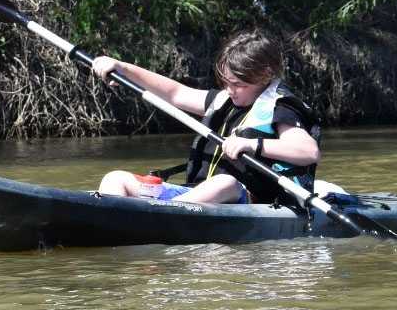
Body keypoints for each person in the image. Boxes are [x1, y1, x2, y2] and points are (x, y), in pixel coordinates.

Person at [91, 29, 321, 204]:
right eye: (226, 83)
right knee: (115, 178)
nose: (229, 90)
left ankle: (160, 215)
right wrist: (123, 68)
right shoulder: (224, 100)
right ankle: (110, 223)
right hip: (195, 195)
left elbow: (308, 152)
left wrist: (251, 144)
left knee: (225, 182)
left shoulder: (281, 108)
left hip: (244, 198)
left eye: (238, 84)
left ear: (265, 76)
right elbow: (175, 92)